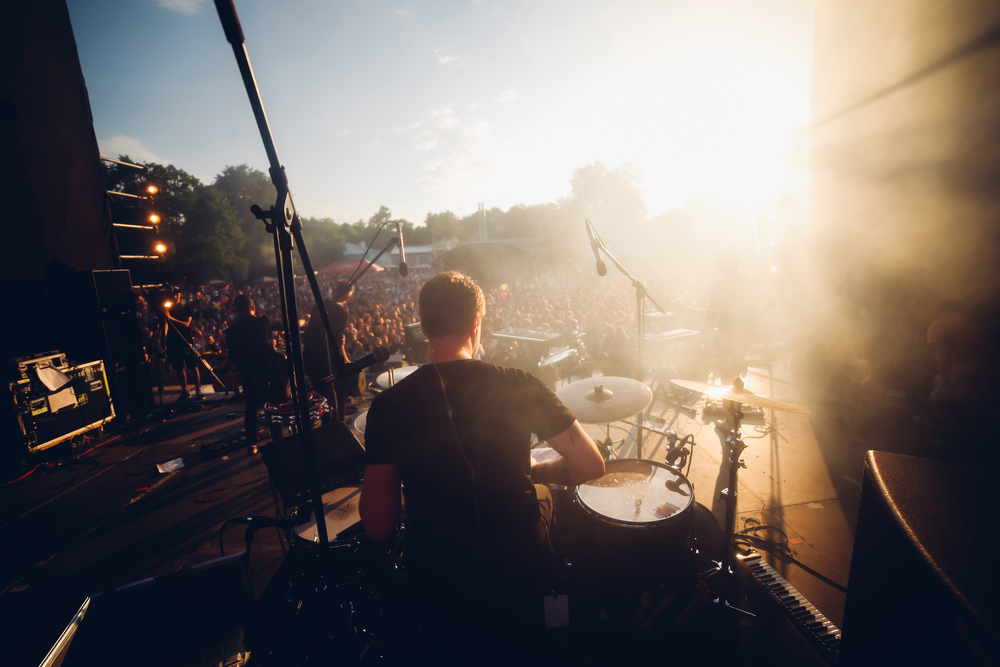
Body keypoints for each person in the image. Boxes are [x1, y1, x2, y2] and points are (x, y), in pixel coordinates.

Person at [359, 271, 605, 650]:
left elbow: (377, 526)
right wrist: (537, 473)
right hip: (519, 566)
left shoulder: (388, 406)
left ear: (424, 327)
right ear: (477, 322)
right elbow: (590, 466)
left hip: (437, 575)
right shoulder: (520, 382)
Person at [676, 248, 775, 384]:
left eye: (719, 262)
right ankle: (738, 386)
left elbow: (711, 315)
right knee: (736, 377)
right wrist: (752, 314)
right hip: (746, 337)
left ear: (727, 263)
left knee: (727, 381)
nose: (716, 265)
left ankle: (731, 403)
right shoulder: (749, 280)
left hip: (727, 338)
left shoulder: (720, 286)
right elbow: (770, 301)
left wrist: (686, 309)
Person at [224, 294, 286, 454]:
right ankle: (277, 439)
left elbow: (234, 359)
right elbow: (279, 323)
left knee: (250, 408)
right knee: (272, 407)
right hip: (267, 372)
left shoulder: (231, 332)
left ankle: (251, 445)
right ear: (253, 308)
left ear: (236, 310)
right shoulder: (263, 321)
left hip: (248, 375)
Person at [302, 279, 354, 420]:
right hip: (328, 359)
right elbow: (338, 341)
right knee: (339, 392)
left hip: (310, 356)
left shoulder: (318, 305)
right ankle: (339, 424)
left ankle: (325, 424)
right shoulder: (341, 313)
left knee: (320, 394)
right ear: (348, 297)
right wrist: (345, 360)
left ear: (334, 290)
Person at [165, 292, 202, 398]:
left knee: (192, 365)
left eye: (176, 294)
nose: (174, 296)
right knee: (178, 368)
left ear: (180, 294)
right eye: (172, 294)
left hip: (185, 340)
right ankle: (185, 392)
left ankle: (198, 390)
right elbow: (166, 326)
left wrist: (170, 318)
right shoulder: (168, 309)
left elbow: (186, 324)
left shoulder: (187, 307)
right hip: (172, 341)